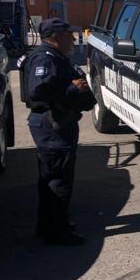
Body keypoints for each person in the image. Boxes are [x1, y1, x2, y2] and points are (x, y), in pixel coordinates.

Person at [22, 18, 96, 245]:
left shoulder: (56, 57)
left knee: (51, 177)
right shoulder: (45, 58)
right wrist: (71, 89)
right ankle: (58, 232)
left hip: (58, 123)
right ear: (55, 37)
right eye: (68, 35)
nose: (73, 39)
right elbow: (37, 91)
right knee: (58, 180)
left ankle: (48, 225)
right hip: (52, 125)